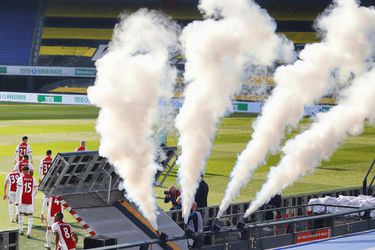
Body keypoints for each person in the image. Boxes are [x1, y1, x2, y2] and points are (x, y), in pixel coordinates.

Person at [16, 166, 37, 238]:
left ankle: (21, 230)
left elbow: (18, 191)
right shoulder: (33, 178)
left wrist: (17, 201)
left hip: (22, 199)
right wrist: (32, 196)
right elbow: (36, 190)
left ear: (22, 171)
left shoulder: (20, 179)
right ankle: (28, 233)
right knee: (30, 216)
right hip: (30, 200)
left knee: (20, 215)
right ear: (28, 171)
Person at [40, 150, 54, 218]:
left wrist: (40, 178)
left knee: (45, 197)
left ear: (46, 153)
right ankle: (48, 212)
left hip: (44, 178)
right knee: (50, 196)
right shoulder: (52, 160)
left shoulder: (43, 160)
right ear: (50, 154)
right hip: (51, 179)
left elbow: (40, 169)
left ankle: (42, 213)